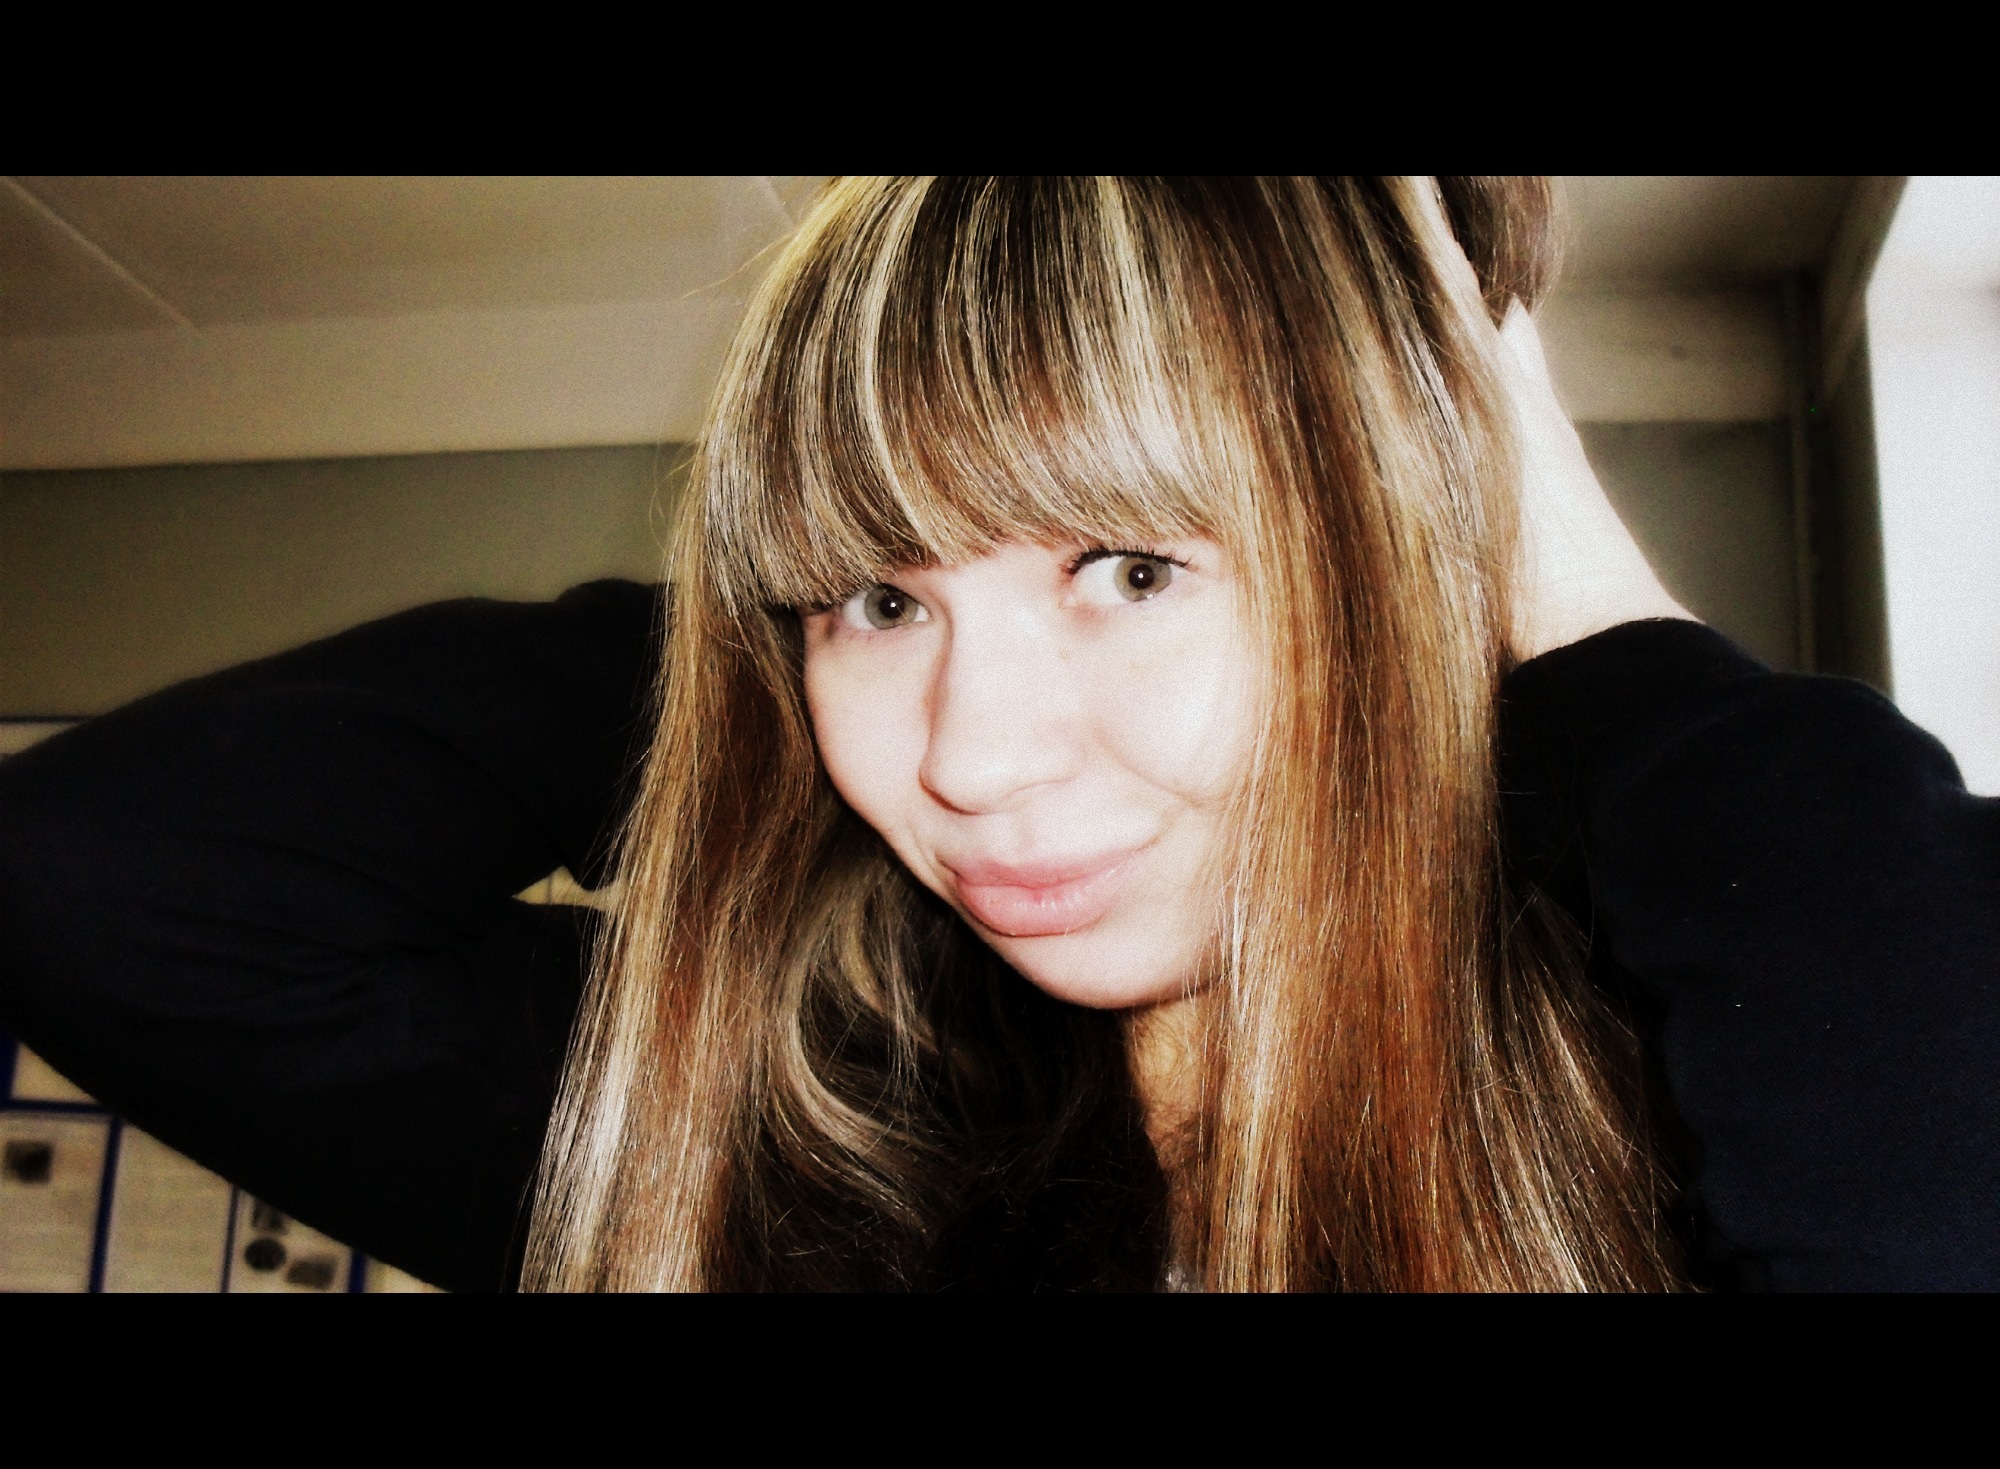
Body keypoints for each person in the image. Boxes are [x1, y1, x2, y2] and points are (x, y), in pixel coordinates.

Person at [2, 177, 1996, 1291]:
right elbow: (101, 876)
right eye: (878, 605)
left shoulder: (1710, 1080)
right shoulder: (784, 1132)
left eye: (1129, 565)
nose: (968, 758)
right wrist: (749, 679)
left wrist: (1580, 622)